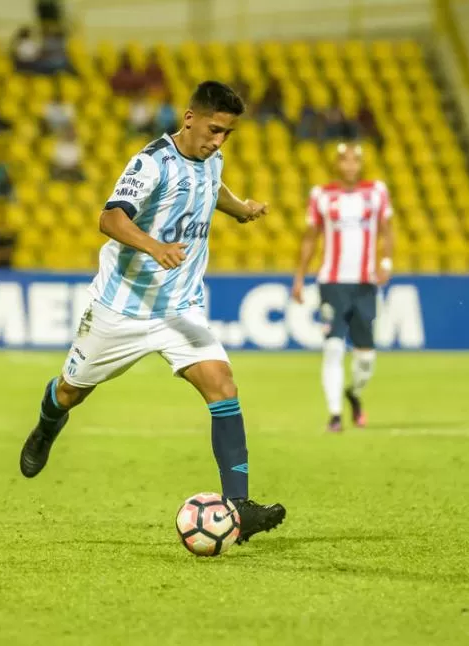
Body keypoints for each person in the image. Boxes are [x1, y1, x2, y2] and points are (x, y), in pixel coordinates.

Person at [18, 81, 287, 544]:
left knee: (223, 386)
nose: (219, 141)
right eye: (213, 129)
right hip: (121, 309)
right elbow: (110, 217)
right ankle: (46, 427)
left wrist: (239, 209)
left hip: (179, 310)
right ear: (189, 118)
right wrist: (154, 246)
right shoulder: (151, 163)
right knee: (69, 392)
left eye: (227, 134)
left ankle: (239, 509)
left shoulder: (212, 159)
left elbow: (210, 188)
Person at [291, 143, 394, 433]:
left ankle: (355, 394)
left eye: (355, 161)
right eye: (344, 161)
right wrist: (299, 277)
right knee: (333, 348)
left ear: (361, 165)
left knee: (366, 357)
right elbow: (310, 238)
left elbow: (387, 230)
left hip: (365, 284)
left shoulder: (376, 192)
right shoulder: (321, 195)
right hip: (331, 283)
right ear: (336, 165)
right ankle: (335, 415)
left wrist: (385, 261)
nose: (350, 166)